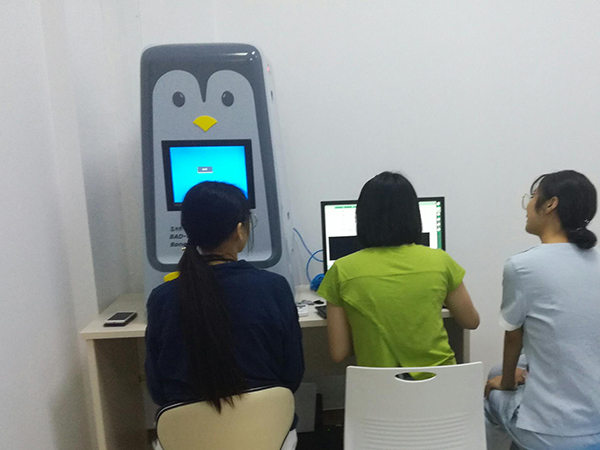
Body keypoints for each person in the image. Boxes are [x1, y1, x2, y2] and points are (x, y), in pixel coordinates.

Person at [145, 181, 304, 449]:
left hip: (188, 441)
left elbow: (158, 391)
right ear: (239, 231)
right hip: (267, 436)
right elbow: (292, 377)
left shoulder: (162, 299)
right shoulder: (274, 288)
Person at [317, 171, 479, 374]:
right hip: (440, 383)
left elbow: (339, 352)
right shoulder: (441, 261)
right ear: (414, 215)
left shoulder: (341, 270)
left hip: (379, 388)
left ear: (362, 217)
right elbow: (471, 321)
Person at [485, 170, 600, 450]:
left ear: (550, 204)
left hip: (553, 433)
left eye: (532, 197)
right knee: (499, 369)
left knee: (491, 393)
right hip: (594, 422)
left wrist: (507, 383)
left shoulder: (522, 267)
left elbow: (513, 337)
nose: (527, 206)